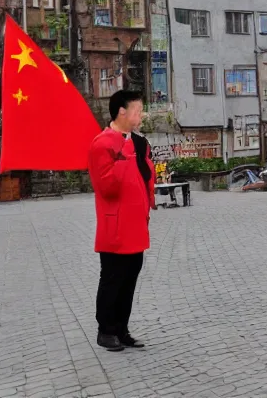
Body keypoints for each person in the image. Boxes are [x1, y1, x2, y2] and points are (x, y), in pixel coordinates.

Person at [88, 90, 155, 352]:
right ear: (122, 112)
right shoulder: (102, 144)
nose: (141, 115)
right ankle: (105, 330)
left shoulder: (139, 143)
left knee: (129, 280)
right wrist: (123, 154)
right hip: (115, 226)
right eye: (137, 110)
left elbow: (145, 176)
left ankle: (121, 329)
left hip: (136, 224)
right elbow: (107, 188)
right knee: (113, 279)